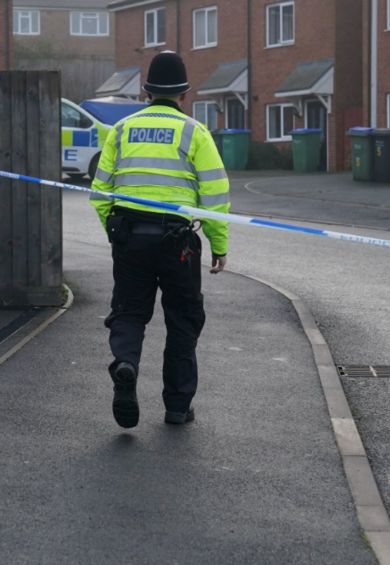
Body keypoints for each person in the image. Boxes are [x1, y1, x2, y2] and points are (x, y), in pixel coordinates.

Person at [90, 50, 230, 428]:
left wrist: (114, 232)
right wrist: (219, 245)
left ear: (147, 92)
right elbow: (216, 195)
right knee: (182, 320)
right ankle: (177, 406)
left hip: (130, 236)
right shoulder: (194, 132)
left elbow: (100, 190)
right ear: (184, 94)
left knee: (129, 312)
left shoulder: (122, 130)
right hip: (177, 242)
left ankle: (125, 364)